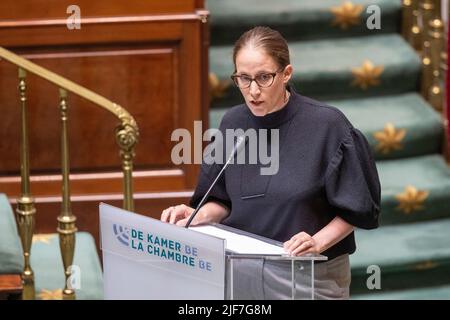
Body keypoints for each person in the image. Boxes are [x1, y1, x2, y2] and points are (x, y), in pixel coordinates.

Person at [161, 26, 381, 299]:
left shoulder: (328, 125)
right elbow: (223, 200)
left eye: (264, 77)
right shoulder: (233, 122)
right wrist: (197, 216)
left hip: (307, 277)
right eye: (243, 78)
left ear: (286, 74)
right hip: (239, 272)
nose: (253, 90)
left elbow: (358, 208)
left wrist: (316, 242)